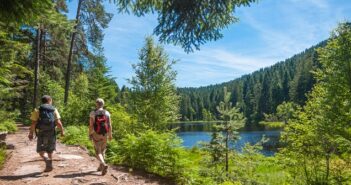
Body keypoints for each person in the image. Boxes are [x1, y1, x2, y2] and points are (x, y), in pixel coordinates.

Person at [28, 95, 64, 172]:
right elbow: (58, 122)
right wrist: (62, 131)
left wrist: (31, 133)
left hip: (41, 132)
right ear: (49, 100)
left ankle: (46, 160)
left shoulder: (37, 110)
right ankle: (49, 162)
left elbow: (33, 123)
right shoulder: (54, 109)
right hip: (51, 132)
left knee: (41, 151)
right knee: (50, 150)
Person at [89, 98, 112, 176]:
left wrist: (90, 134)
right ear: (103, 104)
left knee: (98, 151)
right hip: (105, 134)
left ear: (96, 104)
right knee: (103, 150)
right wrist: (110, 135)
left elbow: (91, 125)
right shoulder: (107, 113)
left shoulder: (93, 113)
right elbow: (109, 125)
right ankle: (101, 166)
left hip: (96, 133)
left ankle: (103, 164)